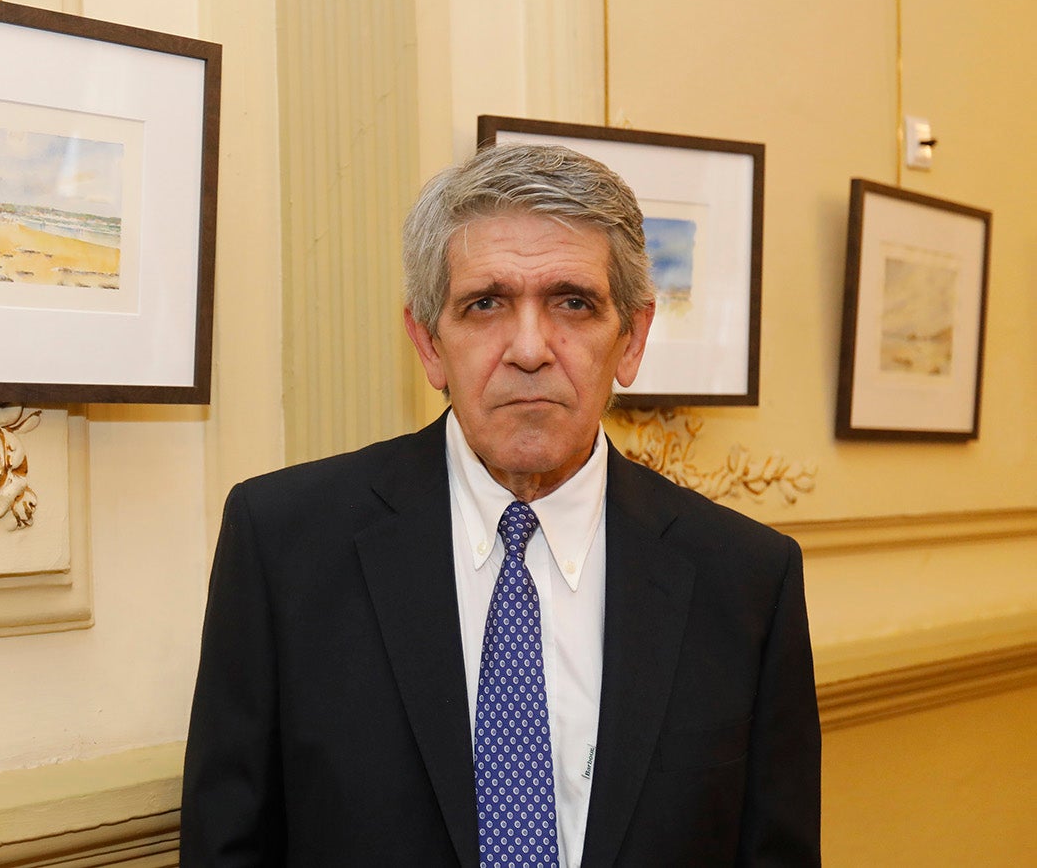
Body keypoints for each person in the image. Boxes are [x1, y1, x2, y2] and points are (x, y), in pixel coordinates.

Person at [181, 143, 820, 867]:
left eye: (572, 303)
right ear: (428, 343)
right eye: (485, 304)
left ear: (632, 339)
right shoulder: (283, 546)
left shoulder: (745, 580)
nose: (529, 348)